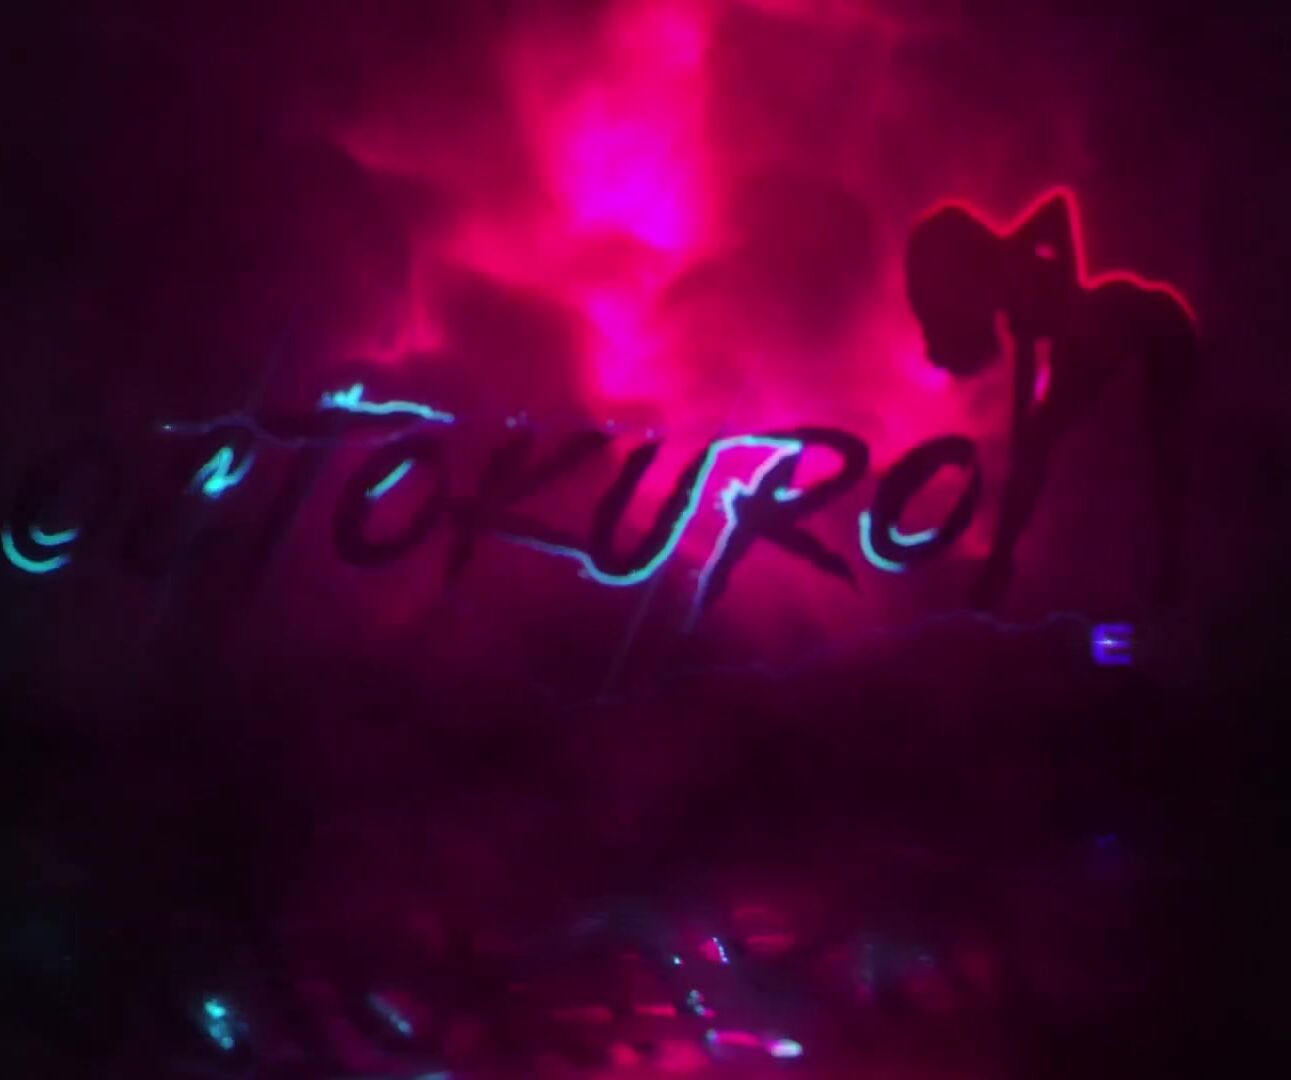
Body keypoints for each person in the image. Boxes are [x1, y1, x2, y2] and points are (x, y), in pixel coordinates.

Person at [904, 189, 1199, 609]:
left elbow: (1057, 208)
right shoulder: (1014, 303)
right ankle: (1003, 565)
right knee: (1043, 449)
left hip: (1142, 322)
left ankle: (1167, 576)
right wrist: (1022, 430)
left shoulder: (1010, 258)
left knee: (1162, 451)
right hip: (1100, 343)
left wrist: (1071, 293)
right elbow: (1026, 397)